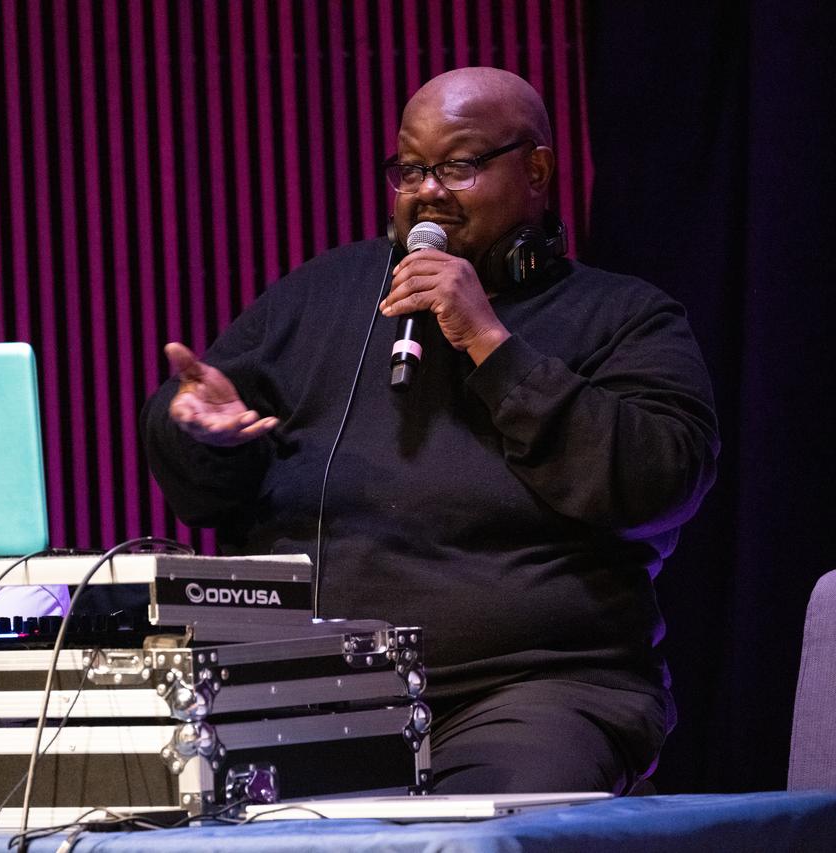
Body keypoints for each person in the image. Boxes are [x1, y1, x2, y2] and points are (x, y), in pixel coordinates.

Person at [140, 67, 719, 794]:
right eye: (410, 168)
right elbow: (208, 486)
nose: (427, 190)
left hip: (536, 690)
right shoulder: (325, 290)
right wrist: (201, 430)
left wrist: (489, 341)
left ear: (536, 169)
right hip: (315, 693)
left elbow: (659, 481)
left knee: (483, 830)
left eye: (458, 165)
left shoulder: (625, 315)